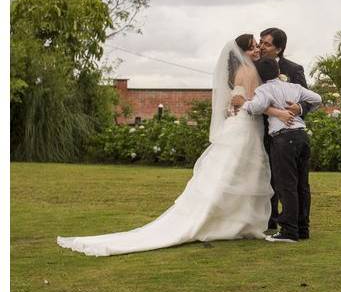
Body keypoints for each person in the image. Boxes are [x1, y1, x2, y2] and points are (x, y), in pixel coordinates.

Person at [56, 35, 288, 256]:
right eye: (253, 46)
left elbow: (237, 102)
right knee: (234, 174)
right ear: (242, 52)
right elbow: (247, 103)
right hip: (245, 128)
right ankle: (224, 222)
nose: (257, 49)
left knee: (241, 174)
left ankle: (236, 221)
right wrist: (274, 109)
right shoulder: (247, 71)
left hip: (243, 127)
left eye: (258, 46)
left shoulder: (247, 70)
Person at [233, 57, 322, 242]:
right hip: (302, 136)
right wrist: (298, 108)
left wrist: (244, 103)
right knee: (301, 185)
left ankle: (289, 231)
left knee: (286, 185)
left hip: (283, 137)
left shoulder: (264, 89)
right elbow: (317, 98)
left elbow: (257, 107)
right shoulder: (293, 87)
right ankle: (302, 228)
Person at [257, 27, 311, 229]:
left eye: (267, 44)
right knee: (267, 180)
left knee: (298, 183)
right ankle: (269, 221)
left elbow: (308, 98)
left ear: (278, 49)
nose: (261, 47)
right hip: (260, 131)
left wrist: (299, 108)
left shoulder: (293, 69)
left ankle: (300, 223)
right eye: (260, 42)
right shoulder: (253, 67)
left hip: (289, 133)